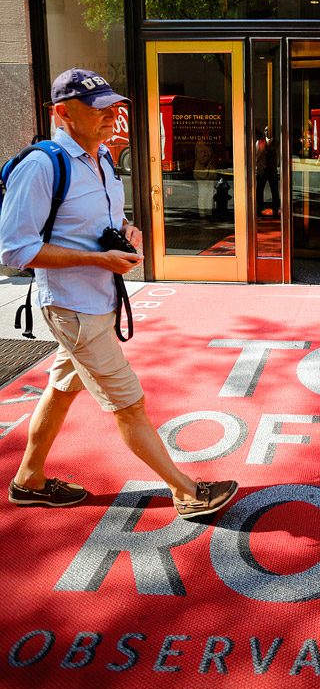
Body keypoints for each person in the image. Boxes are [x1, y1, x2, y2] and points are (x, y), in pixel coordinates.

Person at [0, 68, 237, 518]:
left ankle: (29, 479)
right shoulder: (42, 165)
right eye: (98, 110)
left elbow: (95, 224)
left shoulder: (104, 158)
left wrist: (124, 232)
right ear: (62, 114)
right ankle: (187, 492)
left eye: (114, 107)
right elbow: (14, 250)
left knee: (61, 390)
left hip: (98, 300)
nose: (111, 117)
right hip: (73, 306)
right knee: (129, 403)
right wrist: (97, 260)